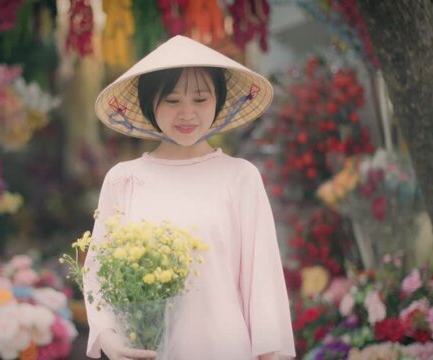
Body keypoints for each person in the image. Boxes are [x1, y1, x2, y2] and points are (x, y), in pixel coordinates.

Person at [83, 35, 295, 360]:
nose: (187, 113)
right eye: (171, 99)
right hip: (147, 351)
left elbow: (262, 285)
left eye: (200, 99)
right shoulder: (124, 179)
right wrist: (110, 339)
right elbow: (99, 275)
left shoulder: (240, 177)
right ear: (149, 102)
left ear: (219, 100)